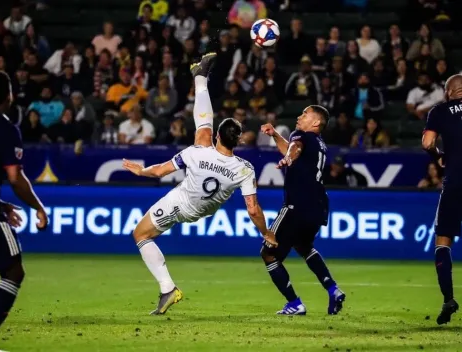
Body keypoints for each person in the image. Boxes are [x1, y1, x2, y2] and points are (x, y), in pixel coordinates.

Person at [122, 54, 277, 315]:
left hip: (182, 205)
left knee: (140, 235)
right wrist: (266, 232)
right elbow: (253, 209)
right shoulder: (245, 168)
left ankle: (167, 288)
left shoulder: (195, 152)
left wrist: (140, 170)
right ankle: (200, 76)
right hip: (206, 207)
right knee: (200, 132)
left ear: (219, 135)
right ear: (237, 141)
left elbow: (159, 171)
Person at [259, 105, 345, 315]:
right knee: (304, 246)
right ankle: (333, 289)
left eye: (304, 114)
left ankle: (294, 303)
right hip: (318, 207)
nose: (299, 116)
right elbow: (293, 148)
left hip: (296, 205)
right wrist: (276, 136)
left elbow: (294, 148)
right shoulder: (320, 144)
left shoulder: (302, 136)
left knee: (269, 254)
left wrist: (289, 158)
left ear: (315, 123)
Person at [0, 70, 48, 339]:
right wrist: (38, 207)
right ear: (9, 95)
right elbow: (15, 178)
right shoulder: (4, 128)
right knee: (13, 270)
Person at [422, 74, 462, 325]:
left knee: (443, 240)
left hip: (456, 180)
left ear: (448, 92)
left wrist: (438, 156)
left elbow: (427, 142)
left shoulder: (440, 110)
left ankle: (448, 298)